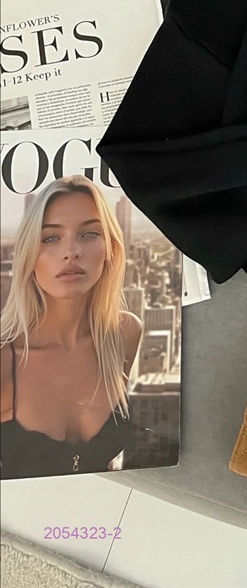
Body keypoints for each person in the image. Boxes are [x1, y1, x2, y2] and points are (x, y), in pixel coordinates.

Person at [0, 175, 143, 478]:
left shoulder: (124, 332)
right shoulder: (4, 358)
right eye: (51, 238)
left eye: (89, 234)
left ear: (111, 249)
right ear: (28, 255)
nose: (72, 251)